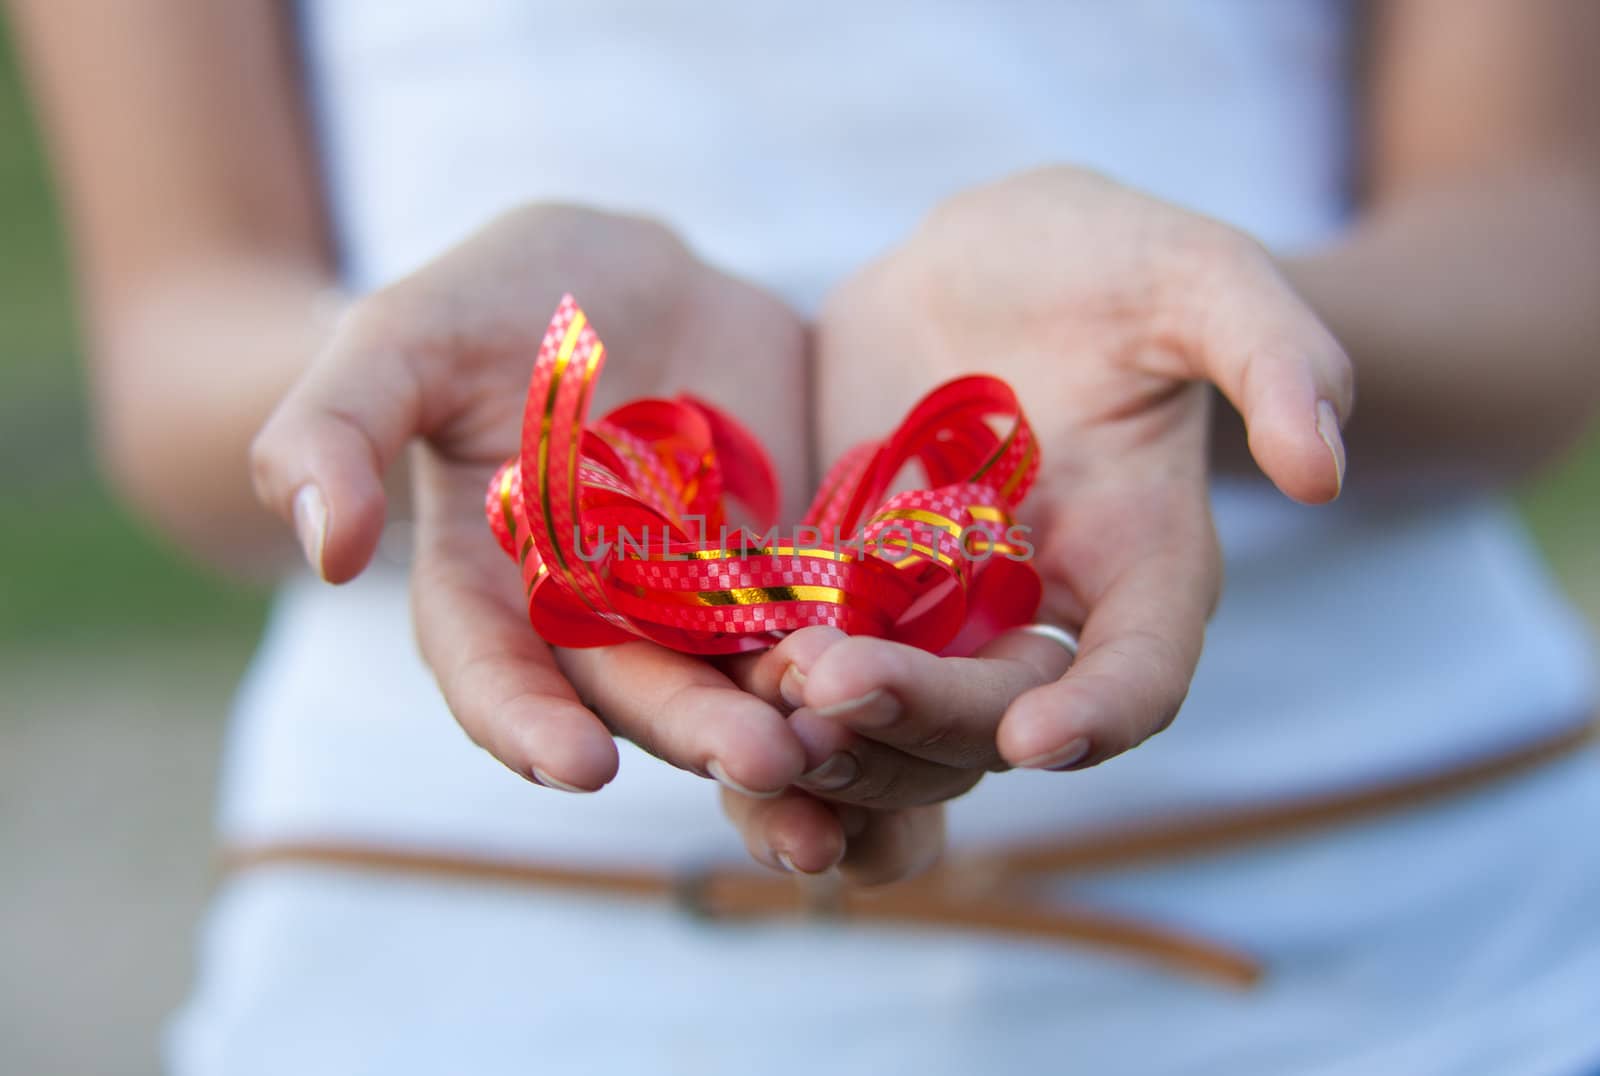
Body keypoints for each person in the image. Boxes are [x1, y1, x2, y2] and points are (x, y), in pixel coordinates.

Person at [13, 0, 1600, 1072]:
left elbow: (1536, 267)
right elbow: (173, 341)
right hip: (470, 966)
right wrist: (412, 370)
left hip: (1408, 952)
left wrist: (1214, 333)